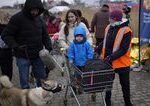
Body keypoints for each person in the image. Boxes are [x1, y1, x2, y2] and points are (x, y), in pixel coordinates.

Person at [1, 0, 52, 89]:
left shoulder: (39, 19)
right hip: (22, 55)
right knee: (24, 82)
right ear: (27, 8)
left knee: (42, 78)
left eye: (37, 10)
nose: (35, 12)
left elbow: (45, 35)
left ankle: (41, 96)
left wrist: (48, 47)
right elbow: (6, 35)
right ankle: (26, 100)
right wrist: (15, 46)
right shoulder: (16, 18)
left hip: (38, 55)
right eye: (33, 10)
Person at [96, 10, 133, 106]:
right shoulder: (109, 27)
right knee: (108, 83)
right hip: (109, 62)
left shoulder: (126, 30)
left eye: (110, 18)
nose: (109, 20)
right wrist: (97, 49)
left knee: (125, 85)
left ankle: (128, 103)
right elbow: (104, 41)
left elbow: (123, 49)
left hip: (122, 63)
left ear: (116, 19)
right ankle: (107, 102)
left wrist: (110, 57)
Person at [68, 25, 94, 95]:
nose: (79, 38)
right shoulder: (73, 44)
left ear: (84, 36)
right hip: (76, 64)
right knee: (77, 76)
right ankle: (78, 87)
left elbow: (90, 52)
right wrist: (71, 58)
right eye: (77, 36)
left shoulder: (86, 43)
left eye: (81, 36)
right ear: (75, 36)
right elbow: (71, 52)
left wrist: (90, 59)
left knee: (85, 76)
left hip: (85, 64)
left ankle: (82, 86)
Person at [0, 12, 13, 80]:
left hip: (6, 51)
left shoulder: (8, 27)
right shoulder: (6, 28)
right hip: (5, 52)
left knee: (6, 72)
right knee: (7, 72)